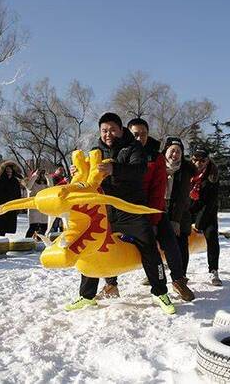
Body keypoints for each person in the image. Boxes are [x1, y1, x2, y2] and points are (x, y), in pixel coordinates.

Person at [66, 112, 174, 314]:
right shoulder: (95, 151)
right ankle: (86, 295)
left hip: (130, 209)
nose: (108, 134)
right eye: (104, 130)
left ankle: (160, 292)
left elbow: (139, 170)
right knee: (91, 247)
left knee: (148, 246)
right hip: (106, 210)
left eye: (112, 129)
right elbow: (87, 180)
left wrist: (114, 169)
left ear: (121, 129)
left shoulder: (133, 148)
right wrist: (75, 173)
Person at [101, 119, 194, 302]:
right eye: (135, 134)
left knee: (169, 241)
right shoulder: (119, 150)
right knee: (108, 242)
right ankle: (111, 284)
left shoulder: (155, 156)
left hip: (151, 208)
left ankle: (178, 279)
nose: (139, 137)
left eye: (143, 134)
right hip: (124, 210)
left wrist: (153, 219)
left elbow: (158, 189)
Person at [162, 137, 197, 282]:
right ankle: (157, 272)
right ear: (166, 151)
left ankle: (181, 277)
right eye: (172, 151)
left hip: (180, 211)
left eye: (178, 152)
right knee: (159, 243)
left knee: (181, 242)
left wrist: (175, 220)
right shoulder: (157, 166)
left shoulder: (186, 170)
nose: (175, 154)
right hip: (160, 206)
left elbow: (183, 197)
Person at [189, 149, 222, 286]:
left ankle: (213, 270)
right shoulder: (186, 170)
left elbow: (210, 203)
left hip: (207, 210)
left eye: (202, 160)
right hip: (188, 208)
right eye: (195, 160)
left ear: (208, 161)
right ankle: (169, 264)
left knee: (211, 234)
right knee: (173, 234)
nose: (198, 163)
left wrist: (198, 224)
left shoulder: (212, 175)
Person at [0, 161, 23, 236]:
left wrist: (18, 206)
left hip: (12, 206)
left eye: (10, 171)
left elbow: (18, 194)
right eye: (7, 171)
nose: (9, 172)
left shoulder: (15, 181)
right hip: (1, 205)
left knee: (8, 226)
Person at [23, 169, 49, 238]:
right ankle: (26, 241)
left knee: (44, 227)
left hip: (43, 208)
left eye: (41, 175)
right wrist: (35, 175)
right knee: (33, 227)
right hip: (34, 209)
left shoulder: (45, 185)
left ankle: (39, 241)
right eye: (39, 174)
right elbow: (28, 187)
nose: (40, 176)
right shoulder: (31, 183)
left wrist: (48, 177)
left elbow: (51, 187)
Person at [49, 165, 68, 232]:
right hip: (55, 200)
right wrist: (63, 182)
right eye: (60, 169)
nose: (62, 171)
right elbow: (52, 187)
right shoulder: (52, 177)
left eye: (63, 170)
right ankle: (53, 232)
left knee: (63, 220)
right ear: (56, 170)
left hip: (63, 201)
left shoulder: (63, 177)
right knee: (55, 219)